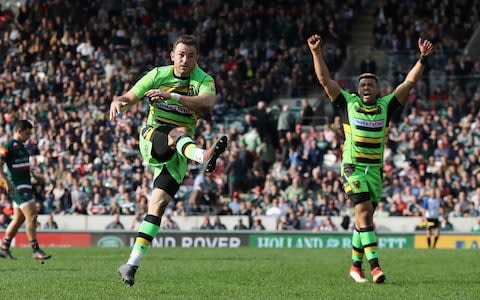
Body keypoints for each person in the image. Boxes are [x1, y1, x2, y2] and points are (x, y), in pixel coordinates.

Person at [308, 34, 433, 284]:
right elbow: (325, 80)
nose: (366, 87)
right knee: (364, 212)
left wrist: (422, 58)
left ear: (378, 90)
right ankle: (375, 267)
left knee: (363, 219)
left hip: (375, 170)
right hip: (352, 167)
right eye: (363, 85)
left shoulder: (387, 105)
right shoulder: (347, 103)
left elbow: (409, 82)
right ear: (357, 90)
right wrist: (316, 52)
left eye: (371, 85)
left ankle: (355, 267)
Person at [110, 34, 228, 286]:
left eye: (191, 55)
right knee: (179, 133)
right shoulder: (157, 74)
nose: (185, 60)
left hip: (179, 152)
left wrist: (171, 96)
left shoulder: (203, 80)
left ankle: (130, 264)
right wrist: (117, 101)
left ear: (197, 58)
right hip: (154, 137)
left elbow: (207, 103)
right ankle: (203, 156)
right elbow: (130, 97)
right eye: (181, 54)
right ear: (172, 55)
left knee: (157, 207)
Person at [0, 120, 51, 260]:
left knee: (19, 218)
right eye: (27, 133)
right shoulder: (8, 146)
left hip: (26, 184)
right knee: (32, 214)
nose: (29, 136)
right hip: (17, 186)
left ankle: (4, 247)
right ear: (19, 131)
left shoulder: (23, 147)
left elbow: (23, 167)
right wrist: (6, 183)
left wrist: (35, 176)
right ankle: (35, 250)